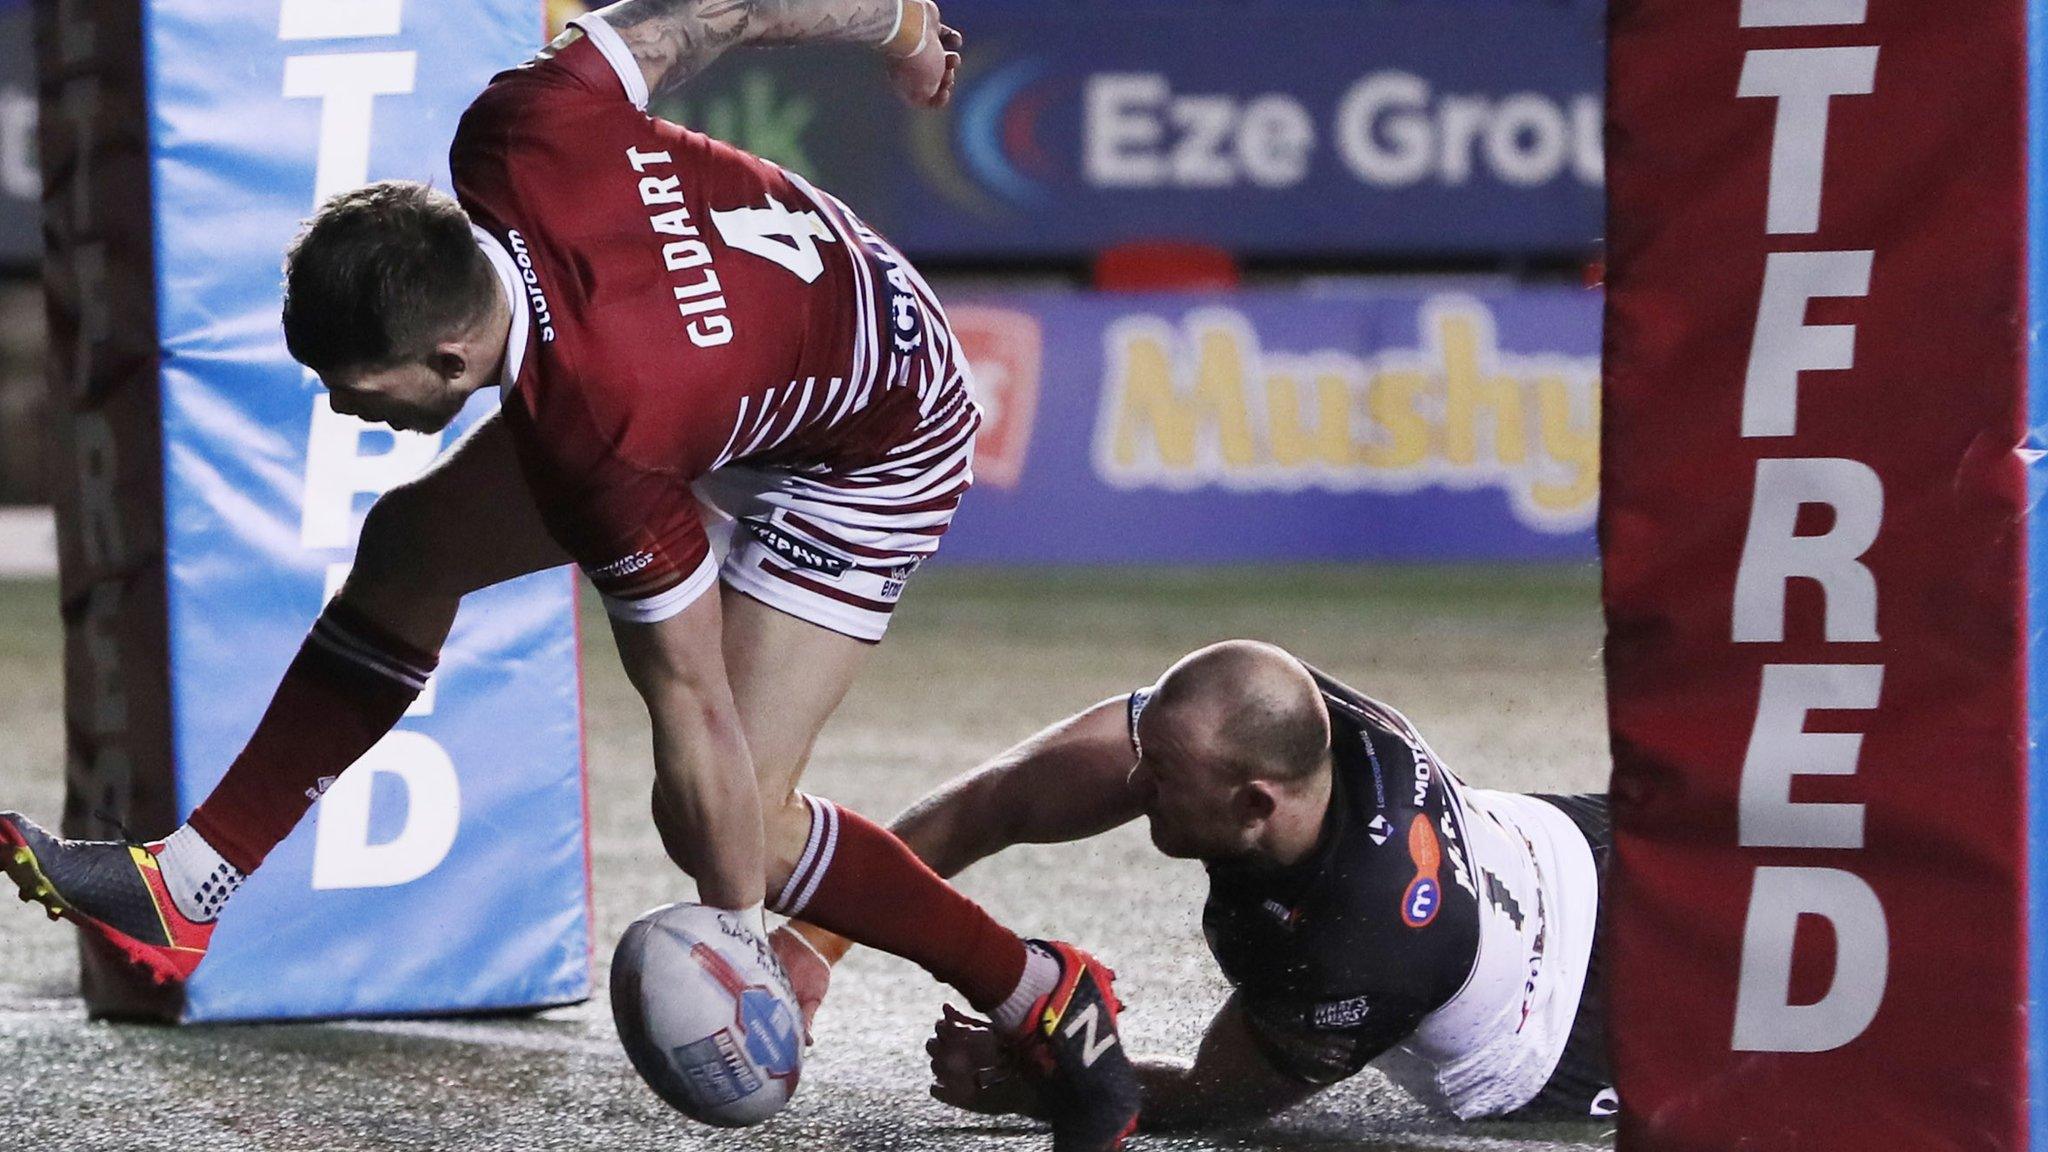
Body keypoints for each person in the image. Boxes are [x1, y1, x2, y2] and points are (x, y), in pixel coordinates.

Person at [0, 2, 1138, 1146]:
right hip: (782, 319)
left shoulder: (605, 435)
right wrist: (895, 25)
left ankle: (1042, 996)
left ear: (449, 353)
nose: (343, 407)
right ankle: (187, 883)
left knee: (729, 817)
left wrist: (732, 937)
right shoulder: (518, 127)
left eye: (356, 385)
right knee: (413, 547)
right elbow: (715, 11)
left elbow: (689, 703)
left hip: (874, 436)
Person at [778, 640, 1617, 1130]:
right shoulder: (1277, 716)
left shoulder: (1356, 945)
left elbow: (1210, 1098)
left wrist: (1022, 1085)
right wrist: (817, 937)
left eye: (1161, 777)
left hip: (1572, 1036)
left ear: (1256, 803)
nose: (1132, 781)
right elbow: (1001, 799)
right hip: (1577, 839)